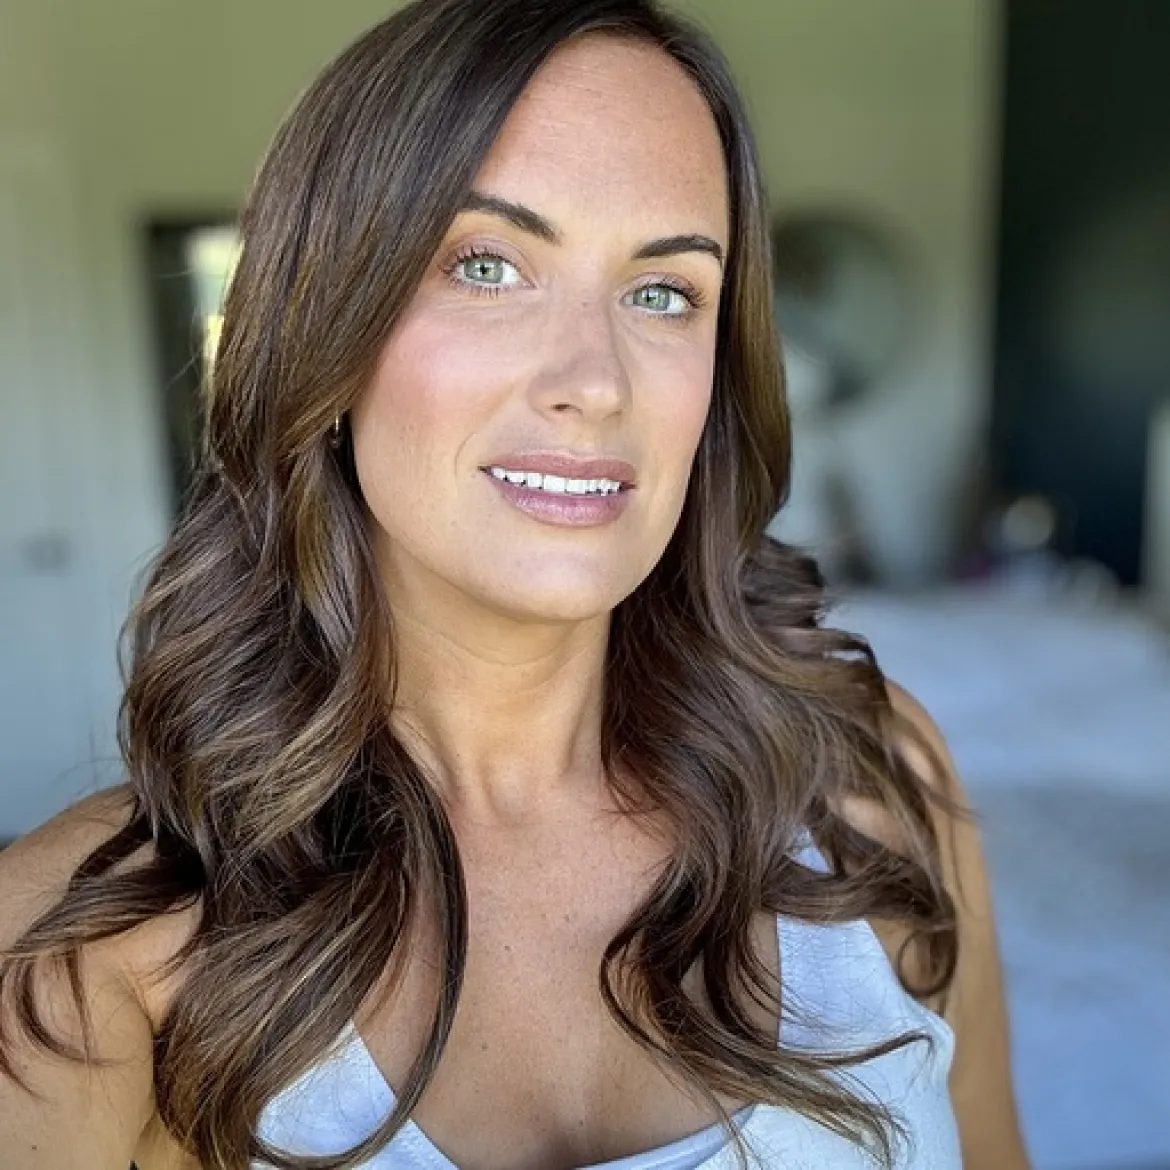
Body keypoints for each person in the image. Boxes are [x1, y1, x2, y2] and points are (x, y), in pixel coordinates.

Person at [0, 1, 1031, 1167]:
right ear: (323, 332)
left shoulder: (872, 792)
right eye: (485, 265)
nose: (594, 382)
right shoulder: (78, 954)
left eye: (663, 291)